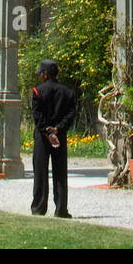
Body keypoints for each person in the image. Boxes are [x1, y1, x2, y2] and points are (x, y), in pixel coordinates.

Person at [31, 58, 76, 217]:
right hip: (59, 136)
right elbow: (70, 114)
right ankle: (61, 209)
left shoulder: (38, 91)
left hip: (43, 138)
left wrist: (47, 131)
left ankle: (39, 207)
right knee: (60, 173)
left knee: (41, 173)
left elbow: (37, 115)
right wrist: (58, 129)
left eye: (41, 73)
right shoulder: (67, 91)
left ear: (45, 74)